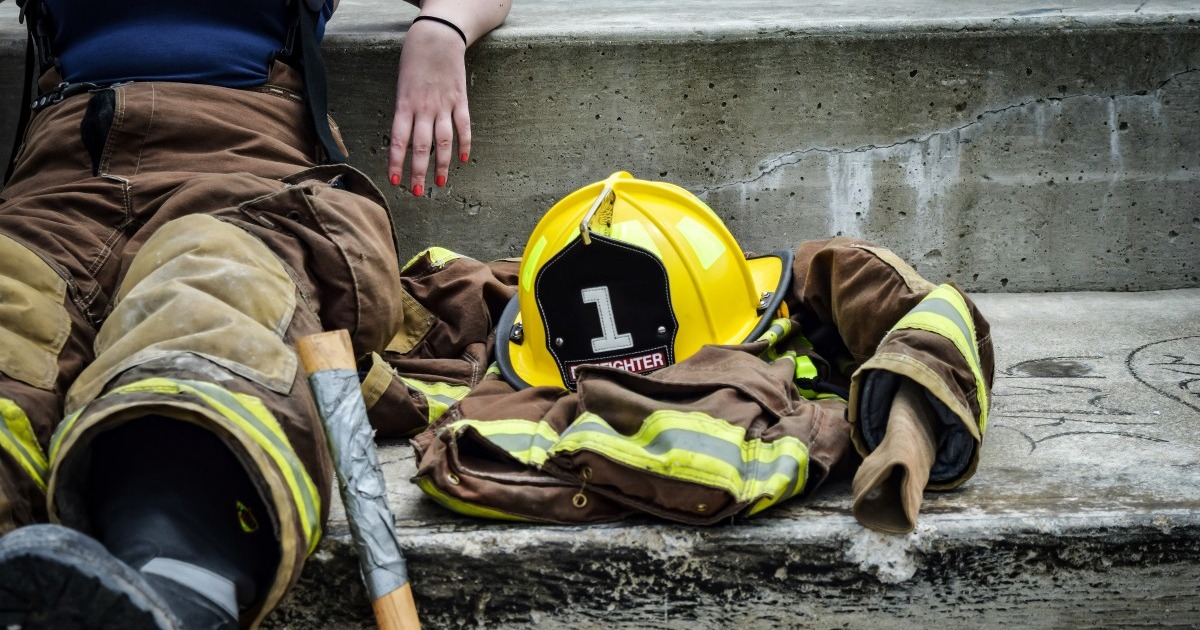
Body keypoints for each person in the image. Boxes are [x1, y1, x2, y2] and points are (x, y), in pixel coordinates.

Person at [0, 0, 510, 628]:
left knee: (213, 296)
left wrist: (442, 30)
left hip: (244, 170)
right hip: (55, 188)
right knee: (7, 305)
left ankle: (177, 582)